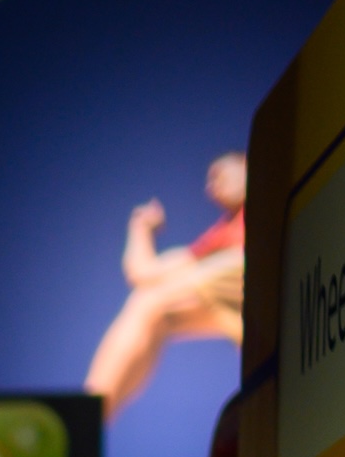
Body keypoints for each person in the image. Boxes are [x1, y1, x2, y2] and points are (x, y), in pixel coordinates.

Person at [86, 151, 244, 422]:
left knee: (152, 301)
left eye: (218, 174)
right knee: (148, 303)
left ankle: (86, 418)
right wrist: (140, 226)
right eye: (208, 183)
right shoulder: (223, 233)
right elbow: (143, 274)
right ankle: (92, 418)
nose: (211, 188)